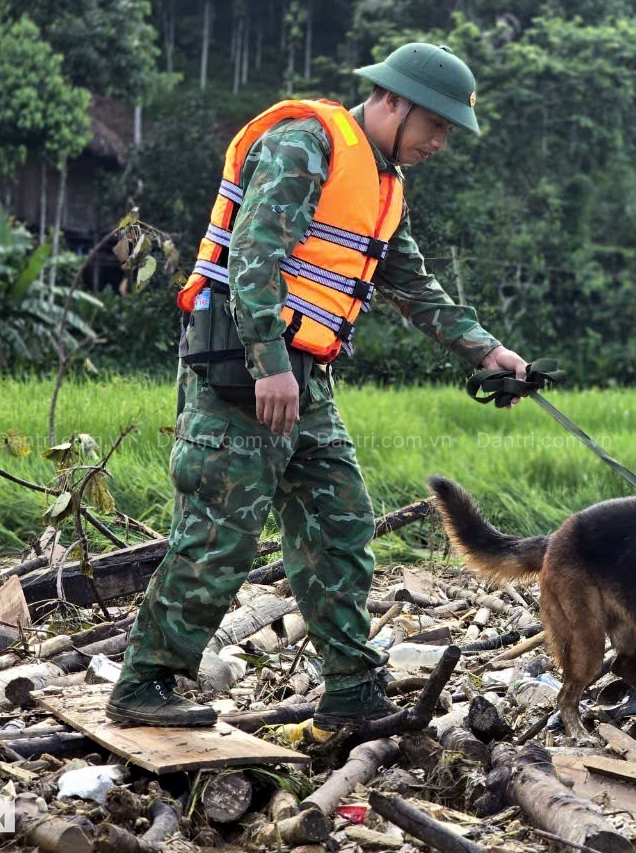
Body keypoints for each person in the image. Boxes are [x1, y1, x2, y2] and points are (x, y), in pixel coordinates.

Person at [105, 42, 527, 731]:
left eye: (449, 131)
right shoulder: (306, 144)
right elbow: (253, 252)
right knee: (221, 531)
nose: (441, 142)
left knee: (340, 522)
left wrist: (488, 349)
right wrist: (269, 361)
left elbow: (411, 284)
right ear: (393, 101)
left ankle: (352, 691)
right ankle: (143, 680)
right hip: (241, 369)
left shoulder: (385, 187)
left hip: (308, 377)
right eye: (437, 125)